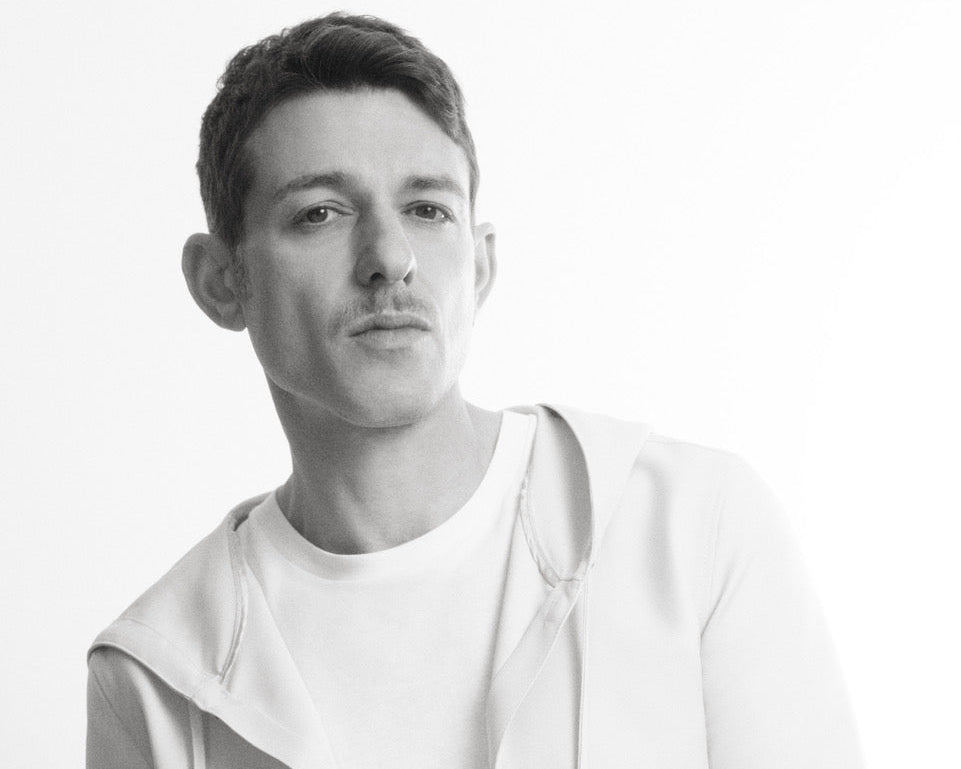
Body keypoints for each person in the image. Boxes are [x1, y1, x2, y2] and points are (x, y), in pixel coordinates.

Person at [86, 12, 863, 769]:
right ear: (221, 280)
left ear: (480, 264)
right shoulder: (156, 673)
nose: (390, 257)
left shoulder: (690, 526)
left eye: (427, 209)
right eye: (320, 212)